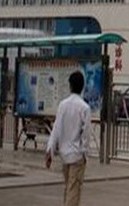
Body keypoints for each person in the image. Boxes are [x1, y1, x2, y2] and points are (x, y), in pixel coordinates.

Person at [46, 71, 91, 206]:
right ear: (82, 87)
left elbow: (56, 128)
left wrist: (50, 149)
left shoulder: (62, 105)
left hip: (64, 155)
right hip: (77, 155)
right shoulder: (84, 108)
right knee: (74, 190)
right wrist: (84, 152)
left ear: (70, 86)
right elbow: (86, 133)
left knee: (69, 188)